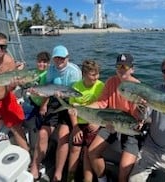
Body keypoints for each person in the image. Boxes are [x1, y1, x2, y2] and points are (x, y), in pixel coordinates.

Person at [87, 53, 145, 182]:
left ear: (132, 69)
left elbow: (138, 116)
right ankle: (103, 179)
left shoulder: (138, 86)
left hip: (129, 127)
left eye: (125, 66)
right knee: (92, 152)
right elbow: (102, 103)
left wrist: (142, 109)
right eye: (119, 66)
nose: (122, 69)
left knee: (124, 168)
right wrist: (85, 109)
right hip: (110, 123)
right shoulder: (111, 81)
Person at [29, 45, 82, 181]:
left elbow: (75, 95)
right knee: (42, 133)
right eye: (56, 58)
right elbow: (47, 88)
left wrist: (65, 97)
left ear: (67, 58)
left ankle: (58, 173)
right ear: (53, 59)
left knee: (63, 137)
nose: (59, 61)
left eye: (62, 58)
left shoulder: (74, 71)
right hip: (54, 100)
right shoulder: (51, 70)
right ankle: (35, 165)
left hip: (69, 103)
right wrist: (44, 104)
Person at [67, 60, 105, 182]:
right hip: (79, 122)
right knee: (75, 149)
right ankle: (70, 177)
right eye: (93, 74)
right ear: (84, 74)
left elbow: (104, 107)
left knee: (88, 151)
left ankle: (87, 179)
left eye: (98, 74)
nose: (96, 77)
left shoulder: (101, 86)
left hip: (94, 123)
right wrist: (75, 127)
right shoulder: (75, 87)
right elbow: (72, 109)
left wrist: (97, 123)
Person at [22, 51, 50, 129]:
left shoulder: (48, 75)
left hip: (42, 103)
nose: (41, 64)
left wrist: (43, 106)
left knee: (38, 124)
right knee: (23, 116)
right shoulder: (33, 72)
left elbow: (48, 93)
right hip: (32, 100)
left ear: (48, 64)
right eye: (39, 62)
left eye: (44, 62)